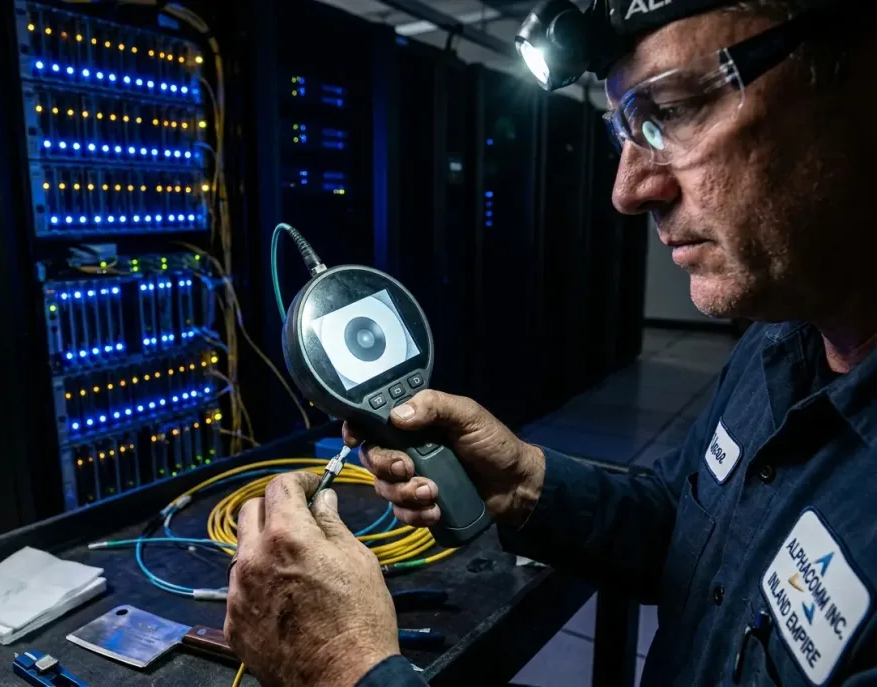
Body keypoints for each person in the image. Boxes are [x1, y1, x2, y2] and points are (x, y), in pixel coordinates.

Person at [224, 0, 877, 684]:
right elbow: (679, 522)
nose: (627, 189)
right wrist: (525, 484)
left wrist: (344, 668)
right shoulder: (782, 343)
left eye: (676, 108)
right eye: (624, 127)